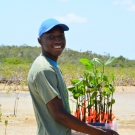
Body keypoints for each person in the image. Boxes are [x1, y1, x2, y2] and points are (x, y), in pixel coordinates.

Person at [27, 18, 119, 135]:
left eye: (61, 36)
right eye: (51, 37)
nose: (58, 40)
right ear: (40, 41)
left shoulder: (51, 65)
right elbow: (60, 115)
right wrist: (100, 133)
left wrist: (98, 130)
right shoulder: (44, 69)